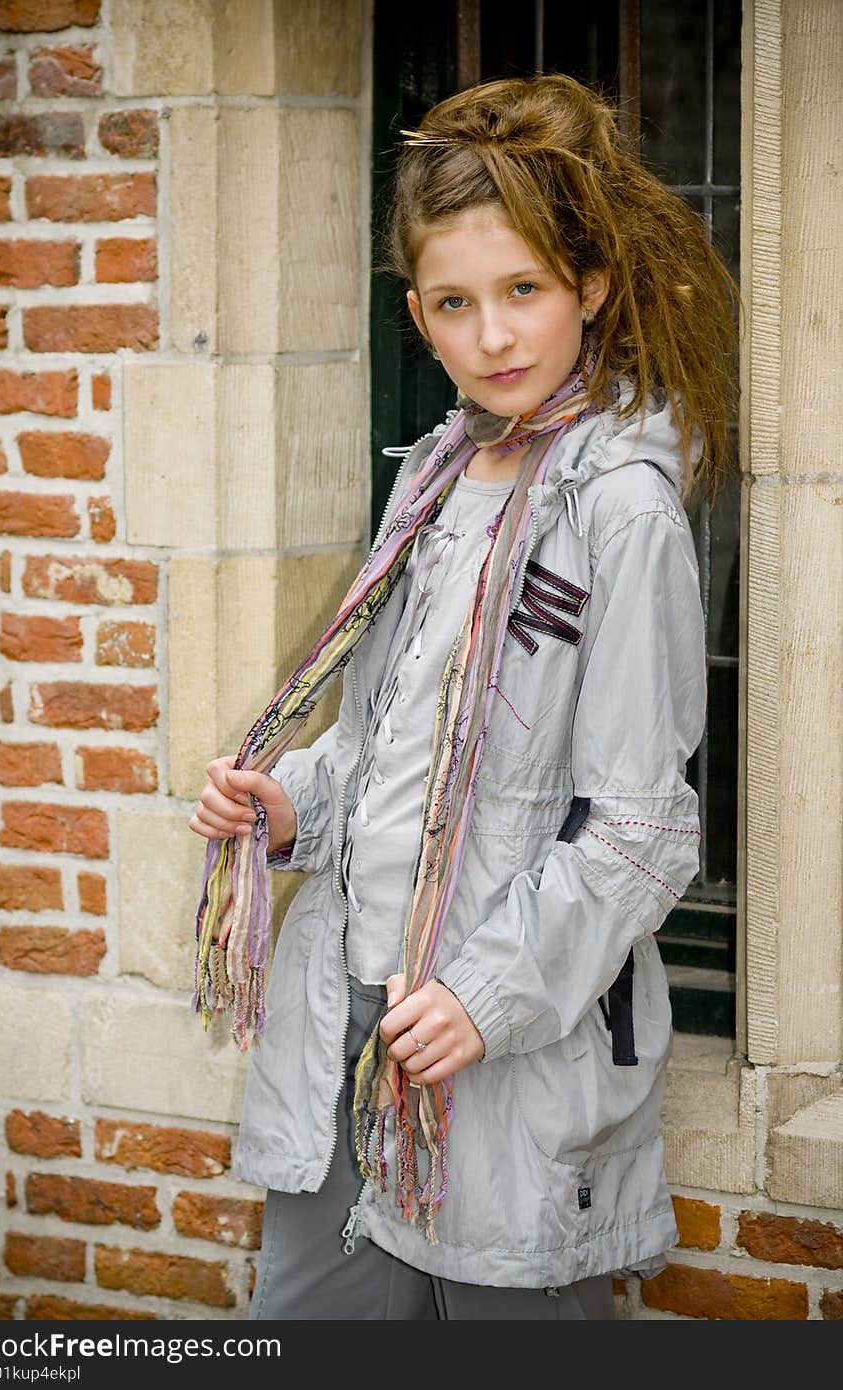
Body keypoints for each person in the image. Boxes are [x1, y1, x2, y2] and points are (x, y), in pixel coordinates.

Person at [188, 73, 738, 1320]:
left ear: (590, 284)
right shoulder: (435, 477)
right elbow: (391, 747)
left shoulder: (622, 509)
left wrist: (482, 1001)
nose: (493, 336)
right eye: (454, 303)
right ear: (418, 318)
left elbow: (641, 833)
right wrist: (287, 806)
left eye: (523, 291)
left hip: (501, 1051)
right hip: (353, 1015)